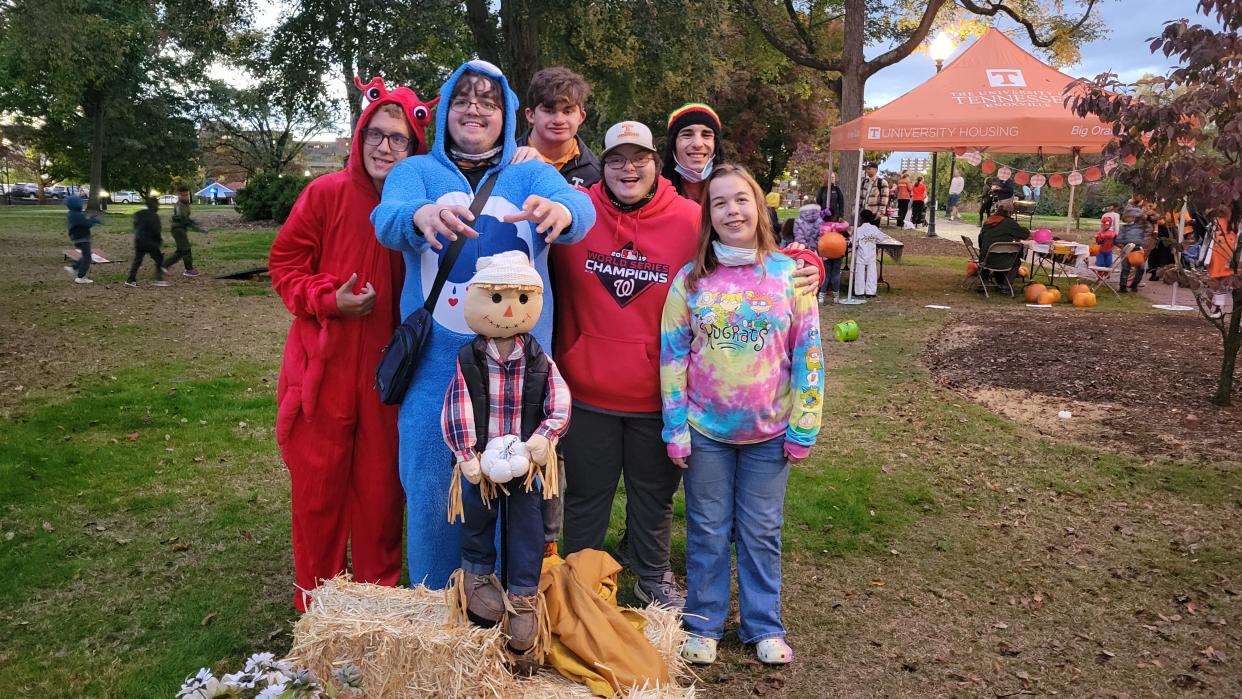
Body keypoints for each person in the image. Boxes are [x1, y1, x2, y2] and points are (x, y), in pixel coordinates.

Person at [553, 121, 822, 609]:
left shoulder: (687, 217)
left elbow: (744, 254)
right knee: (586, 497)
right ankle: (580, 582)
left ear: (657, 163)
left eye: (639, 158)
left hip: (659, 395)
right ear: (602, 164)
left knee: (654, 499)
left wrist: (808, 261)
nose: (628, 168)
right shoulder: (576, 213)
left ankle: (652, 576)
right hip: (588, 388)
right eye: (616, 159)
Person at [372, 59, 595, 589]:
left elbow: (577, 206)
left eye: (489, 102)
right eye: (465, 98)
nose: (475, 109)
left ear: (507, 114)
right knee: (431, 491)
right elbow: (386, 217)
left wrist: (562, 212)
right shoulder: (417, 172)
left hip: (515, 375)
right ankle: (436, 601)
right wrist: (417, 217)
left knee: (512, 495)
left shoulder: (529, 171)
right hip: (433, 372)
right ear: (447, 108)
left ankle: (503, 607)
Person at [269, 76, 437, 611]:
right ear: (360, 135)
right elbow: (284, 265)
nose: (385, 147)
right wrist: (327, 299)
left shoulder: (422, 205)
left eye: (399, 139)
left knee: (381, 496)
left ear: (414, 147)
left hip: (391, 378)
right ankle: (316, 605)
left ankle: (374, 606)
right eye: (377, 135)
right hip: (324, 369)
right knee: (318, 492)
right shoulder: (324, 195)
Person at [660, 163, 821, 667]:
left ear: (759, 207)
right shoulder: (691, 280)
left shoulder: (790, 276)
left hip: (770, 433)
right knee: (707, 527)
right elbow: (672, 354)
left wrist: (805, 422)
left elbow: (809, 352)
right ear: (709, 216)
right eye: (720, 203)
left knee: (761, 530)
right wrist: (675, 426)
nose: (732, 210)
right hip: (705, 429)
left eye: (741, 200)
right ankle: (703, 624)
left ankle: (763, 625)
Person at [441, 251, 570, 655]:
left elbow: (560, 402)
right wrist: (466, 454)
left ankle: (523, 598)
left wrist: (545, 437)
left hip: (527, 465)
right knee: (478, 519)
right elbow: (456, 404)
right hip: (481, 461)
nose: (510, 308)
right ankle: (477, 579)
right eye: (497, 299)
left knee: (528, 527)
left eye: (520, 299)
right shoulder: (468, 360)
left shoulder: (539, 360)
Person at [517, 66, 601, 190]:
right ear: (531, 115)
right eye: (549, 111)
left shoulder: (596, 174)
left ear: (581, 117)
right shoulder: (506, 161)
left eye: (567, 112)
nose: (558, 120)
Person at [660, 103, 723, 202]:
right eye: (687, 134)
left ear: (716, 144)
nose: (698, 144)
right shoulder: (654, 192)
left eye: (706, 135)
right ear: (673, 144)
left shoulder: (734, 189)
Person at [977, 198, 1030, 293]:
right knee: (1016, 260)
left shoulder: (988, 221)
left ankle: (983, 282)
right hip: (1002, 261)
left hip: (985, 259)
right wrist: (1025, 229)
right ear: (1010, 212)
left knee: (987, 253)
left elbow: (980, 240)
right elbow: (1025, 235)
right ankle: (1005, 286)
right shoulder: (1009, 223)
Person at [125, 197, 170, 288]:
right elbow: (156, 230)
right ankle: (159, 279)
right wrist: (159, 240)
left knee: (137, 260)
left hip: (139, 240)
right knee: (159, 259)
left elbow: (135, 225)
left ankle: (131, 279)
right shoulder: (154, 216)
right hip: (150, 242)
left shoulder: (139, 213)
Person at [165, 186, 206, 277]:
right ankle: (189, 269)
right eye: (183, 195)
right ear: (179, 195)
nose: (185, 197)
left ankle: (164, 265)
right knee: (186, 249)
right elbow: (183, 219)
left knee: (180, 251)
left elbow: (186, 219)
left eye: (187, 195)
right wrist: (197, 228)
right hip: (178, 229)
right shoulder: (180, 205)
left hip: (181, 229)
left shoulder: (185, 204)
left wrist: (194, 224)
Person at [63, 195, 102, 284]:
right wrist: (94, 220)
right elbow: (86, 224)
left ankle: (74, 267)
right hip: (82, 238)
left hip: (78, 238)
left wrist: (91, 218)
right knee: (87, 257)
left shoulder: (72, 214)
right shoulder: (76, 215)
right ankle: (81, 277)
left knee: (85, 255)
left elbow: (83, 221)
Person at [1115, 201, 1150, 293]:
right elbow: (1118, 239)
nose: (1129, 218)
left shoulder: (1143, 227)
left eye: (1131, 216)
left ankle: (1135, 284)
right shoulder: (1124, 228)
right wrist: (1123, 245)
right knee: (1126, 268)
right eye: (1128, 217)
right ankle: (1123, 286)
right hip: (1127, 249)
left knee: (1141, 268)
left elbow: (1147, 237)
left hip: (1138, 250)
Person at [817, 210, 850, 303]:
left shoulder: (821, 226)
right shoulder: (835, 225)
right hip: (837, 251)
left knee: (826, 275)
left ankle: (821, 296)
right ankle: (836, 297)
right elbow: (846, 225)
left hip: (825, 252)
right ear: (833, 217)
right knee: (835, 274)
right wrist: (841, 220)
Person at [851, 209, 885, 297]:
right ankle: (871, 292)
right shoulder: (874, 228)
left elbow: (853, 242)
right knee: (872, 274)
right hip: (871, 254)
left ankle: (859, 292)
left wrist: (859, 243)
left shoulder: (858, 229)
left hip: (861, 254)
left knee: (859, 273)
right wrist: (874, 241)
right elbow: (881, 237)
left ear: (861, 218)